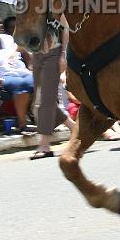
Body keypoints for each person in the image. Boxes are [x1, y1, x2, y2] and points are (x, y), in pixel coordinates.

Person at [30, 15, 75, 160]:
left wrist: (63, 55)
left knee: (45, 101)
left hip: (53, 53)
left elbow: (65, 29)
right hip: (36, 54)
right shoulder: (29, 4)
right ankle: (74, 128)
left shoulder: (55, 5)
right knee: (39, 102)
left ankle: (44, 145)